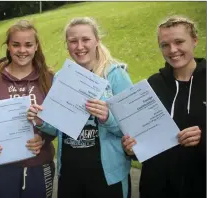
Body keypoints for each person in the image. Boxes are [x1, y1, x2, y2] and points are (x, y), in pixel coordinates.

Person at [28, 17, 133, 198]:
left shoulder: (116, 75)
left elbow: (132, 127)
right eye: (73, 41)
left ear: (97, 41)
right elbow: (58, 126)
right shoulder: (62, 77)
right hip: (70, 173)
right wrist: (41, 120)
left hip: (107, 176)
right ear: (67, 45)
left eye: (85, 40)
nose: (79, 46)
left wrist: (108, 118)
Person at [122, 16, 206, 198]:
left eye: (179, 42)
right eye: (164, 45)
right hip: (156, 186)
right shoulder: (152, 85)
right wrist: (132, 148)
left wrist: (203, 136)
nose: (172, 50)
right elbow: (140, 139)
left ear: (195, 40)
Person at [0, 19, 56, 198]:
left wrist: (43, 138)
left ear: (36, 47)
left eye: (28, 45)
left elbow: (57, 123)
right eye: (16, 44)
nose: (22, 50)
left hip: (39, 166)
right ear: (8, 47)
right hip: (0, 168)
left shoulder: (49, 79)